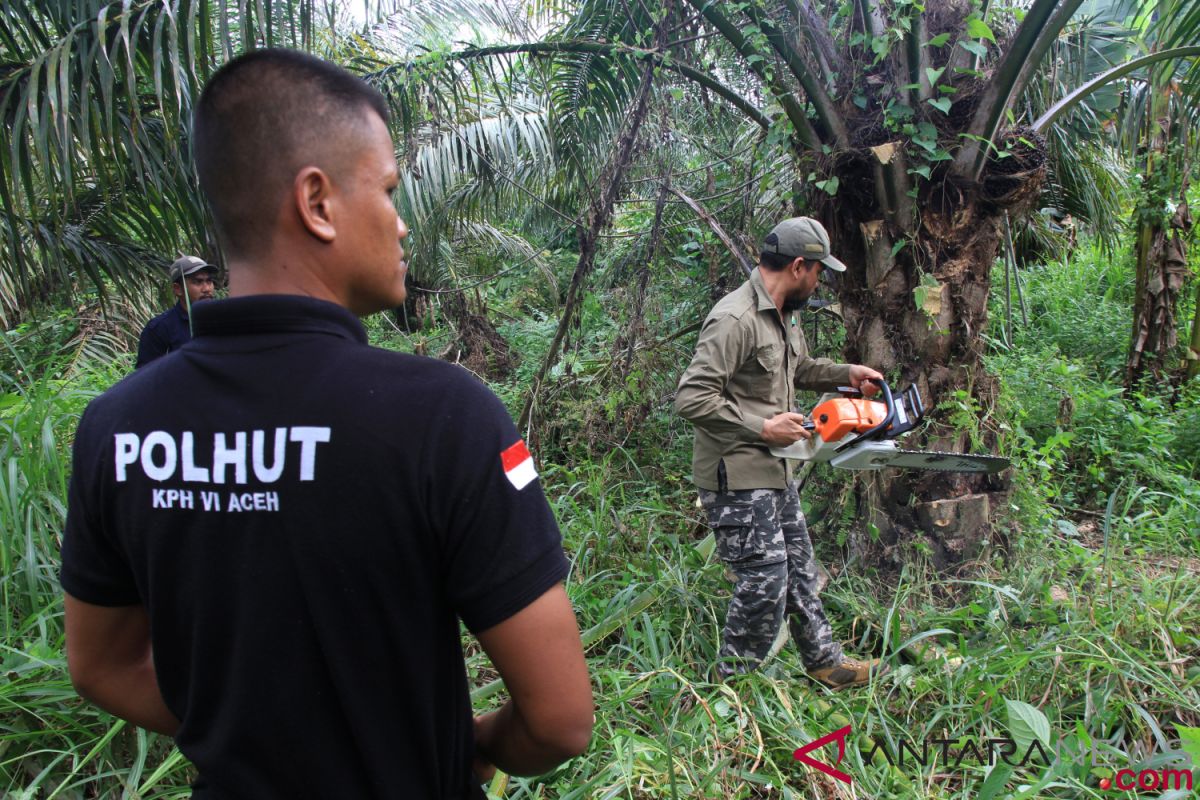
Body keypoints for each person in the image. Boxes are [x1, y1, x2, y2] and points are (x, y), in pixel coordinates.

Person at [60, 49, 593, 799]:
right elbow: (561, 721)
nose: (403, 225)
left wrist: (248, 735)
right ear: (317, 202)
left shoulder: (115, 427)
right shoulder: (443, 416)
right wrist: (469, 744)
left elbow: (101, 666)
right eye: (386, 190)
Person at [675, 216, 888, 688]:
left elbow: (799, 368)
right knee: (764, 583)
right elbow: (691, 397)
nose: (819, 281)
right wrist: (762, 426)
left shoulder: (783, 314)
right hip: (737, 476)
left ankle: (825, 664)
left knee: (799, 570)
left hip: (776, 472)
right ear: (798, 267)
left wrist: (845, 372)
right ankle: (731, 693)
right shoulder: (735, 319)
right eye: (818, 272)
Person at [135, 256, 218, 368]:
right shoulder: (160, 328)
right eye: (198, 282)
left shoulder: (224, 321)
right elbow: (146, 377)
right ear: (178, 289)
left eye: (209, 281)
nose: (207, 288)